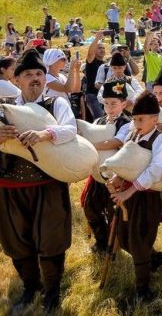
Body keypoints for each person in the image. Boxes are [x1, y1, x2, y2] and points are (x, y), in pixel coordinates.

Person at [0, 50, 77, 313]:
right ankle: (31, 287)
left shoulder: (56, 104)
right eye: (28, 74)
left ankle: (52, 291)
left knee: (51, 239)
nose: (35, 78)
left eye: (39, 74)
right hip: (10, 186)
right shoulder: (4, 107)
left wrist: (45, 134)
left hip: (48, 184)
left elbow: (71, 129)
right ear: (16, 80)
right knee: (18, 242)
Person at [108, 92, 162, 302]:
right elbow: (125, 161)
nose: (136, 124)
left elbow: (156, 169)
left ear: (155, 119)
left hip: (146, 198)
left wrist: (129, 191)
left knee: (140, 240)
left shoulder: (159, 139)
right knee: (124, 237)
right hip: (128, 196)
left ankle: (143, 291)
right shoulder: (132, 136)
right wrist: (117, 177)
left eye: (141, 119)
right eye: (134, 119)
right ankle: (154, 258)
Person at [82, 79, 132, 254]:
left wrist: (91, 145)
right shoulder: (98, 121)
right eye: (106, 103)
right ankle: (101, 240)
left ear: (123, 104)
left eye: (114, 103)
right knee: (90, 206)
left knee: (113, 212)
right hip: (97, 175)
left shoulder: (127, 123)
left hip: (116, 176)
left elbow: (117, 141)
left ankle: (114, 245)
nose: (109, 107)